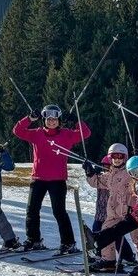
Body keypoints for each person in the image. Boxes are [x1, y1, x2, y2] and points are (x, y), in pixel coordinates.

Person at [13, 104, 89, 252]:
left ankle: (68, 243)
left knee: (59, 211)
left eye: (54, 119)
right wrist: (29, 119)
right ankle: (33, 240)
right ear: (44, 120)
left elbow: (85, 133)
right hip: (38, 179)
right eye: (48, 119)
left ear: (59, 120)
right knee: (32, 210)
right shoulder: (37, 134)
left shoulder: (66, 134)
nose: (51, 122)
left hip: (57, 180)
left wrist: (76, 121)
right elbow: (18, 131)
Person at [84, 156, 138, 276]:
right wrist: (133, 209)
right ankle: (97, 240)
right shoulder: (137, 183)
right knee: (120, 228)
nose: (136, 175)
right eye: (132, 173)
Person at [83, 144, 138, 273]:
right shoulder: (110, 174)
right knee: (106, 232)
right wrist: (90, 172)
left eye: (120, 156)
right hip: (114, 211)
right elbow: (97, 182)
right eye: (114, 157)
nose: (117, 159)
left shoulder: (130, 172)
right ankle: (108, 261)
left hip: (131, 211)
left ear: (125, 157)